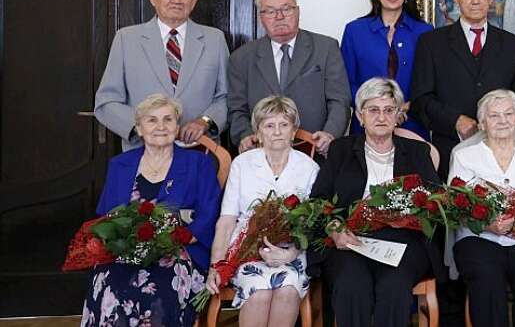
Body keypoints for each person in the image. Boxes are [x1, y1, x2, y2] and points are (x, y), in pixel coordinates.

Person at [310, 78, 444, 327]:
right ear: (360, 116)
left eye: (388, 110)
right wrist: (334, 229)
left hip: (404, 241)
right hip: (349, 240)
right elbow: (319, 200)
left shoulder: (417, 151)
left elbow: (434, 203)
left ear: (397, 116)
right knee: (351, 285)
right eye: (373, 110)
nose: (381, 117)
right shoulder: (341, 149)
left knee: (394, 286)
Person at [80, 94, 221, 326]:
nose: (161, 127)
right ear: (139, 128)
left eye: (168, 119)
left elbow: (209, 214)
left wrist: (180, 237)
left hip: (178, 252)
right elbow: (106, 217)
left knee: (157, 290)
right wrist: (121, 243)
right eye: (152, 120)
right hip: (126, 253)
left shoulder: (198, 164)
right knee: (110, 284)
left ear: (177, 126)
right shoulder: (120, 165)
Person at [205, 96, 321, 326]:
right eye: (269, 125)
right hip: (246, 251)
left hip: (292, 253)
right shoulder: (242, 164)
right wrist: (216, 265)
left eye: (284, 125)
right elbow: (227, 219)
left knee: (288, 288)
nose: (277, 132)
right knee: (259, 292)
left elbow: (313, 223)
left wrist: (290, 253)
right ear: (258, 132)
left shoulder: (309, 168)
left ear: (293, 130)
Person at [448, 90, 515, 327]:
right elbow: (455, 210)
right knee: (486, 275)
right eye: (494, 115)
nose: (502, 120)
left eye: (509, 114)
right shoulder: (464, 155)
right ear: (483, 123)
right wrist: (488, 224)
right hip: (478, 237)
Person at [410, 0, 515, 178]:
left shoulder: (513, 44)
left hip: (503, 154)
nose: (475, 0)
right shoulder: (431, 43)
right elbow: (421, 100)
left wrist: (497, 123)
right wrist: (456, 121)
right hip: (449, 149)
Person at [95, 0, 229, 150]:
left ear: (194, 1)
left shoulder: (215, 39)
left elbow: (226, 96)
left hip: (199, 151)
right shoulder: (126, 39)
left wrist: (205, 121)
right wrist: (142, 127)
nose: (177, 1)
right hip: (142, 151)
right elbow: (107, 100)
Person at [228, 0, 351, 155]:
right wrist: (246, 136)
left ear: (298, 12)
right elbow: (237, 109)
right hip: (262, 153)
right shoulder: (241, 57)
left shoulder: (326, 48)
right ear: (261, 17)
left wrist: (330, 134)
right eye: (270, 11)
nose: (279, 17)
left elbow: (339, 100)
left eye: (286, 9)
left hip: (316, 149)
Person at [341, 0, 434, 138]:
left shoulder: (424, 32)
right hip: (366, 125)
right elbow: (346, 82)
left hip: (411, 122)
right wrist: (374, 110)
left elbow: (431, 82)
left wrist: (406, 107)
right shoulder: (355, 30)